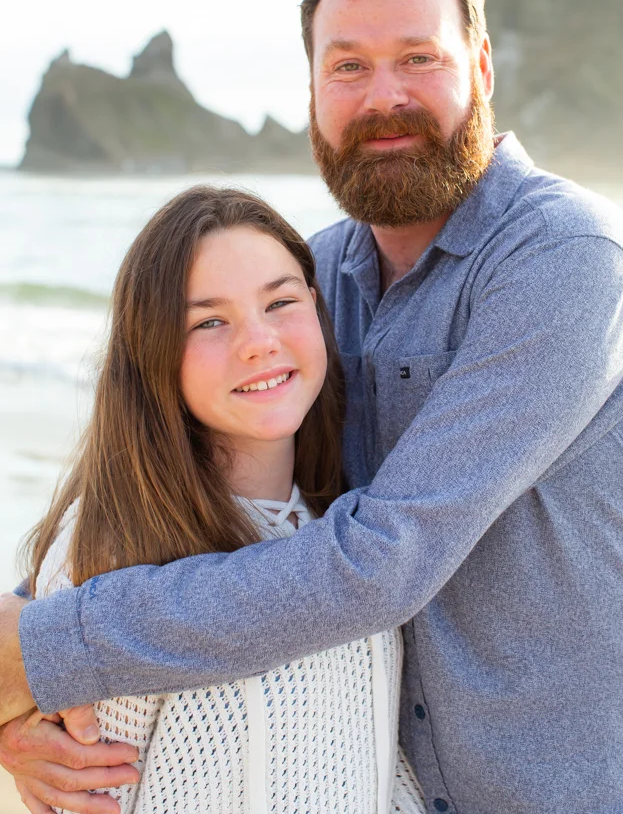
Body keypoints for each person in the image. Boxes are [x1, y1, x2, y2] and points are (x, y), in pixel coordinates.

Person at [1, 0, 623, 814]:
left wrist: (49, 649)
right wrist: (24, 707)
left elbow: (381, 561)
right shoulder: (308, 286)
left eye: (417, 58)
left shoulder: (566, 261)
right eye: (347, 66)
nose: (384, 96)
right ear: (312, 92)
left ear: (481, 65)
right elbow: (152, 459)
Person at [0, 185, 426, 813]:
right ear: (153, 353)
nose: (258, 342)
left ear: (316, 306)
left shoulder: (345, 528)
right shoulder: (109, 554)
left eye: (280, 302)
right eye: (209, 321)